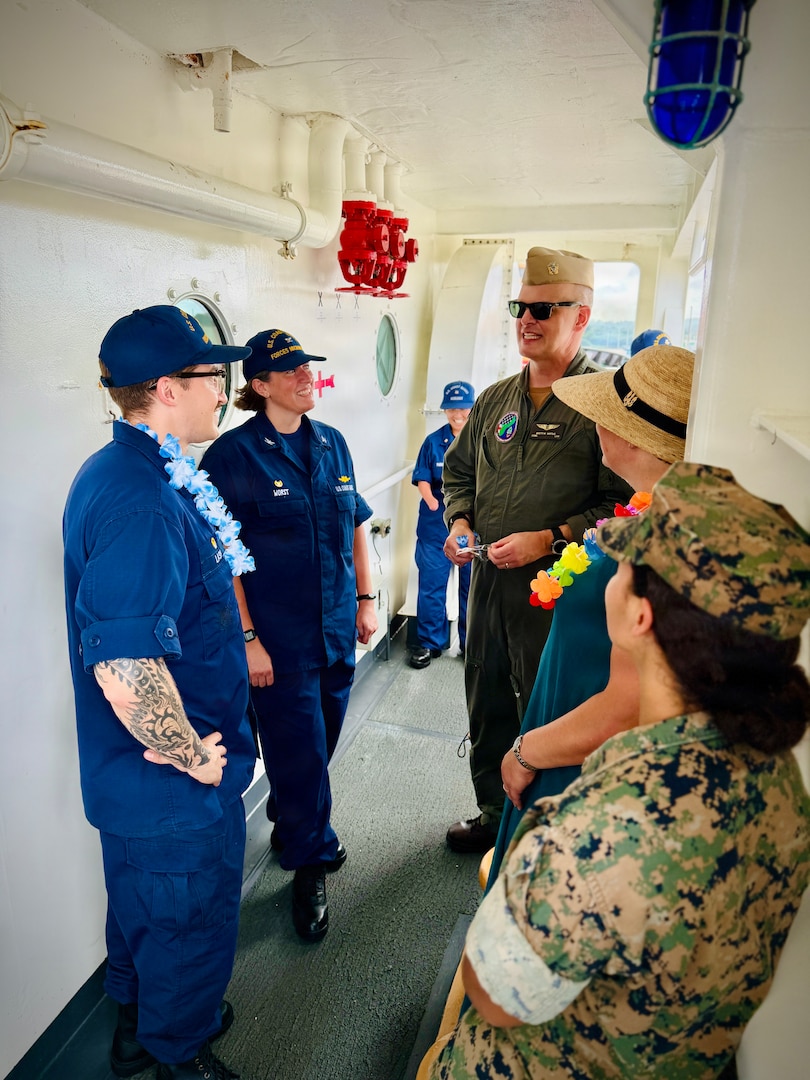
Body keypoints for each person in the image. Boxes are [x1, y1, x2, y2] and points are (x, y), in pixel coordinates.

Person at [429, 461, 810, 1080]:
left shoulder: (597, 834)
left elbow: (491, 996)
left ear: (640, 618)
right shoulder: (776, 776)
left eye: (624, 567)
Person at [62, 305, 258, 1080]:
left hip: (141, 786)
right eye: (217, 376)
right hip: (172, 786)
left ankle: (138, 1026)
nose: (226, 390)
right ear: (170, 389)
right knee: (186, 920)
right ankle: (179, 1052)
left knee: (145, 911)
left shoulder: (143, 469)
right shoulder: (142, 498)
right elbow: (126, 667)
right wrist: (195, 762)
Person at [441, 246, 632, 853]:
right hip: (489, 585)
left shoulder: (601, 406)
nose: (528, 319)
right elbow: (459, 472)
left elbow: (623, 506)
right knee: (487, 690)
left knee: (548, 698)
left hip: (561, 594)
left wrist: (549, 539)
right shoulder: (495, 400)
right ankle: (493, 811)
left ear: (582, 316)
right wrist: (461, 521)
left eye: (545, 309)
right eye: (522, 307)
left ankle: (540, 829)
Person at [491, 343, 694, 879]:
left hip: (579, 752)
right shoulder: (646, 509)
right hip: (565, 723)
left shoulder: (655, 544)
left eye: (602, 414)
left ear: (627, 436)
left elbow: (630, 703)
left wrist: (528, 752)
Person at [200, 329, 377, 944]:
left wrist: (365, 600)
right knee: (300, 751)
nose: (306, 375)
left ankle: (293, 816)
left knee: (318, 743)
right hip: (277, 641)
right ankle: (309, 860)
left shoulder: (333, 444)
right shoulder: (230, 458)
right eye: (291, 369)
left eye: (308, 365)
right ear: (259, 385)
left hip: (335, 631)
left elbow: (355, 524)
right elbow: (225, 560)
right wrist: (247, 639)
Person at [409, 381, 475, 669]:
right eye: (451, 409)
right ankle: (428, 643)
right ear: (445, 410)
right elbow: (422, 475)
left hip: (472, 525)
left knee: (471, 588)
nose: (457, 414)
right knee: (431, 586)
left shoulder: (481, 440)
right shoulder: (433, 441)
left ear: (472, 409)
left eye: (462, 408)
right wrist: (433, 502)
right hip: (436, 524)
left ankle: (469, 644)